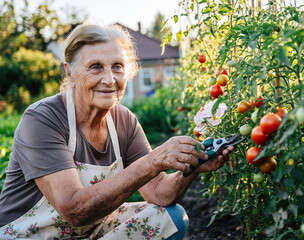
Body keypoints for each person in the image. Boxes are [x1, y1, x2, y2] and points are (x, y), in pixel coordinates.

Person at [0, 24, 233, 239]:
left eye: (117, 67)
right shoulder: (43, 118)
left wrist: (190, 167)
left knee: (171, 218)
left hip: (87, 232)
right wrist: (153, 161)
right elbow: (73, 209)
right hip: (28, 235)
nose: (109, 79)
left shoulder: (124, 121)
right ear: (69, 73)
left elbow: (160, 194)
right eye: (95, 67)